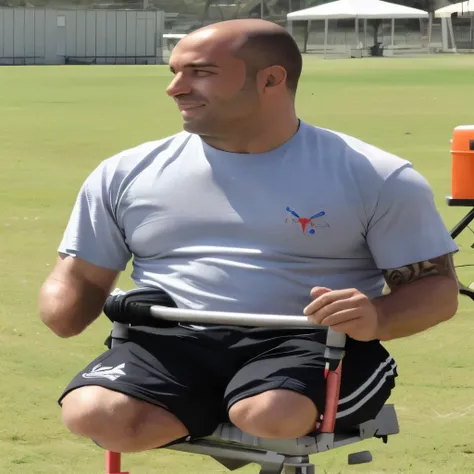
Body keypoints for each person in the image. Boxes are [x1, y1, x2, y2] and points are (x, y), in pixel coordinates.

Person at [39, 19, 459, 454]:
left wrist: (379, 317)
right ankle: (211, 397)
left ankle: (231, 398)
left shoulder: (376, 175)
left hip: (309, 343)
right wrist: (67, 297)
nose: (176, 88)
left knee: (270, 413)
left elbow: (436, 289)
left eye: (200, 72)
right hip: (171, 343)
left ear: (271, 79)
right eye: (175, 73)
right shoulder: (125, 172)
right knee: (93, 413)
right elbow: (79, 280)